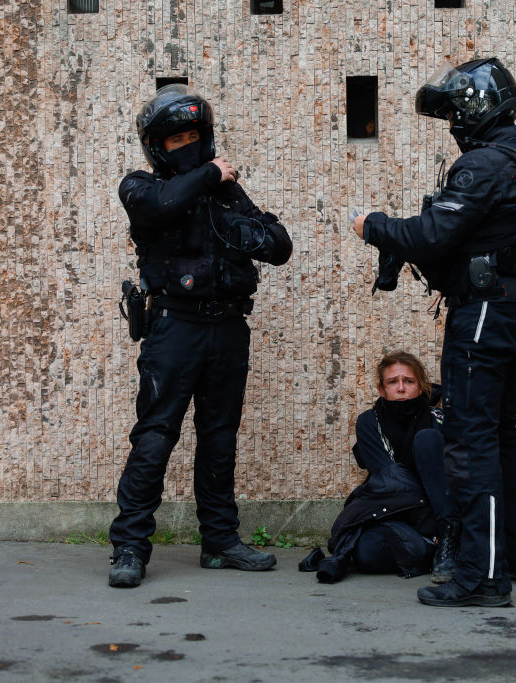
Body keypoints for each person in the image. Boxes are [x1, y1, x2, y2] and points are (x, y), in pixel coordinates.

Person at [351, 58, 516, 607]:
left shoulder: (484, 166)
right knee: (500, 436)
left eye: (454, 111)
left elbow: (432, 233)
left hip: (485, 313)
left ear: (477, 106)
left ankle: (481, 577)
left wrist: (374, 226)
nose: (452, 124)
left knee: (471, 444)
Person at [108, 84, 293, 588]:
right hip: (174, 328)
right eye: (176, 140)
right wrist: (210, 173)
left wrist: (230, 200)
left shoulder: (226, 192)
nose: (187, 145)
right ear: (157, 148)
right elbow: (161, 207)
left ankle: (220, 542)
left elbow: (278, 246)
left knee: (219, 439)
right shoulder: (140, 187)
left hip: (228, 328)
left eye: (194, 135)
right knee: (154, 437)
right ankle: (129, 546)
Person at [306, 352, 459, 584]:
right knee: (367, 553)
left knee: (426, 440)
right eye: (392, 382)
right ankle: (433, 550)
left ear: (420, 387)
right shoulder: (370, 421)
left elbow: (452, 477)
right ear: (381, 389)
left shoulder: (437, 419)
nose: (401, 388)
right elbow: (390, 480)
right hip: (391, 510)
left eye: (408, 381)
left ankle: (445, 542)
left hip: (438, 513)